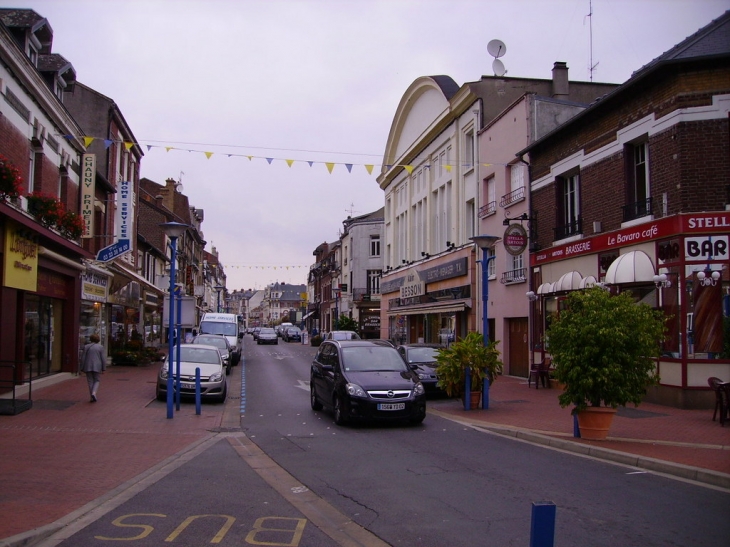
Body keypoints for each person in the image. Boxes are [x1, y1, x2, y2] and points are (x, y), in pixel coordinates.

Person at [80, 333, 106, 402]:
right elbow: (103, 358)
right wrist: (103, 368)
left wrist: (81, 367)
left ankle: (92, 396)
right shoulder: (100, 347)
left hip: (87, 366)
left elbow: (83, 358)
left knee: (90, 381)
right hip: (97, 366)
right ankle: (94, 393)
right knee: (97, 380)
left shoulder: (86, 347)